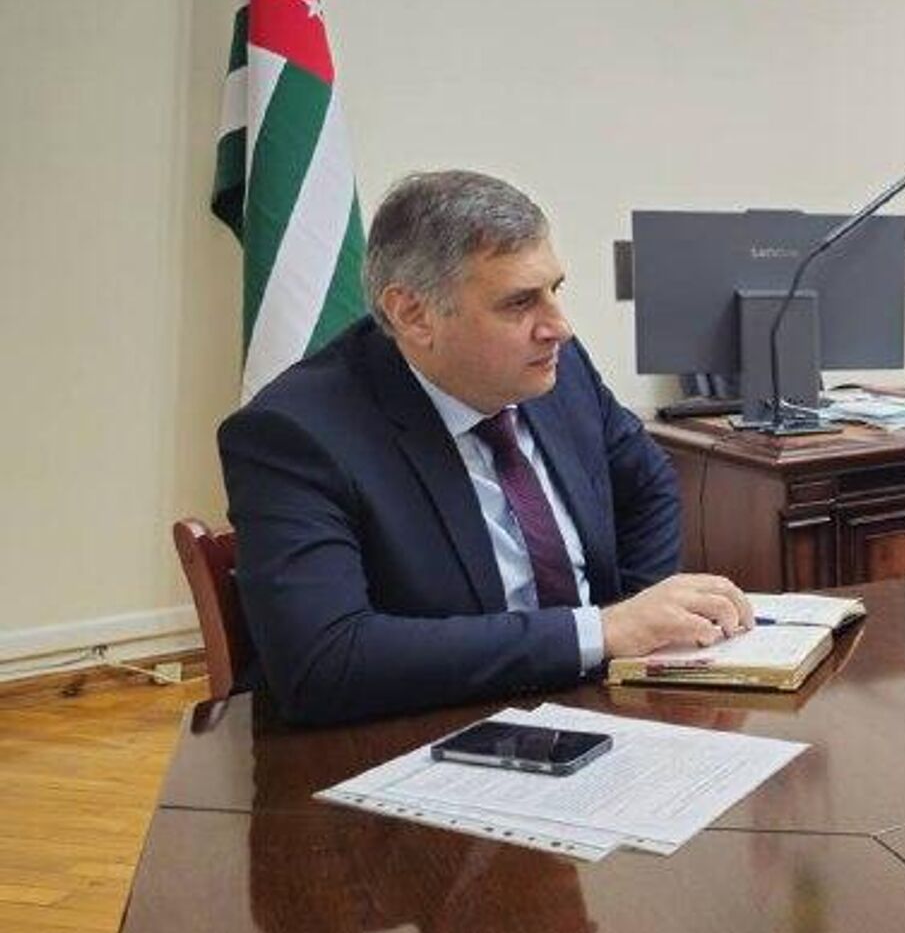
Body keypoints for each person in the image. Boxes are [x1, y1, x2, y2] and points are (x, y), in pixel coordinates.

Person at [218, 170, 754, 725]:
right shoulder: (296, 434)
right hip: (417, 729)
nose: (559, 328)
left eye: (555, 290)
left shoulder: (556, 369)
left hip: (599, 708)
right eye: (519, 302)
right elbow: (325, 662)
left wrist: (638, 630)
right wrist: (599, 632)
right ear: (413, 314)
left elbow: (647, 483)